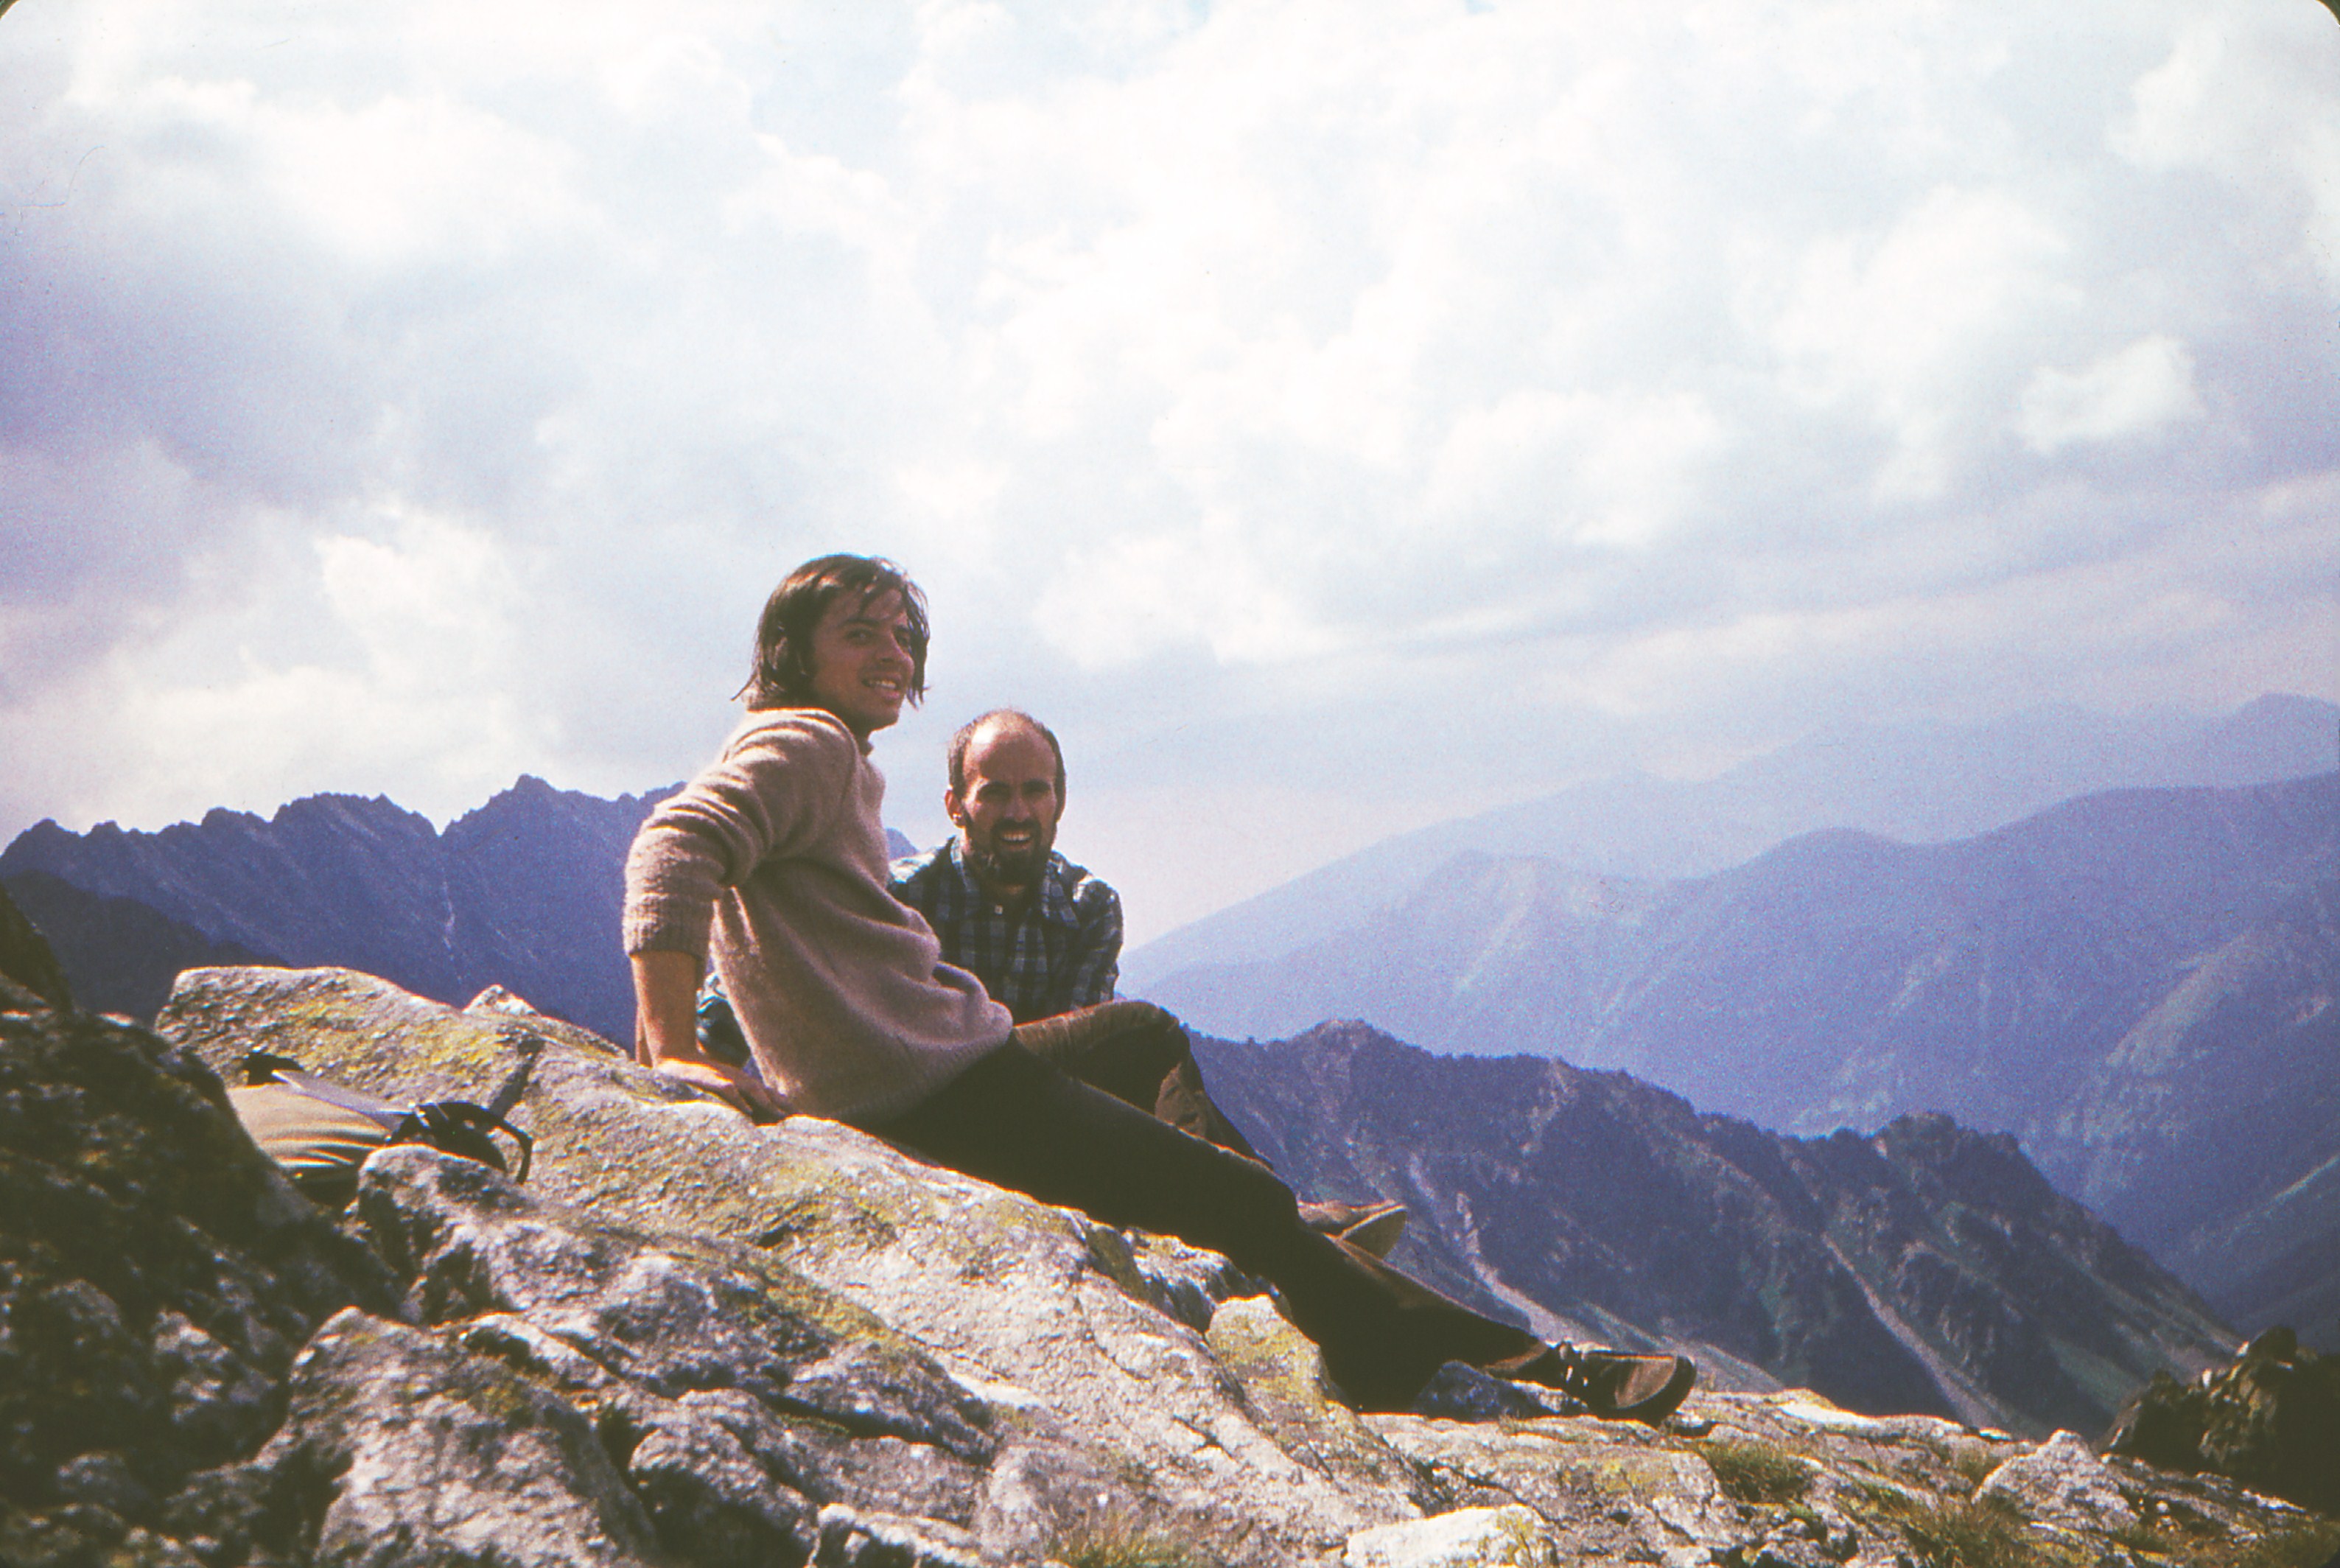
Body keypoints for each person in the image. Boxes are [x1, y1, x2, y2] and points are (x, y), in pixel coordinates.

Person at [623, 553, 1695, 1421]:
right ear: (793, 649)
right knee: (1243, 1206)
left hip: (943, 1065)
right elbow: (673, 846)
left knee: (1141, 1040)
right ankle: (1526, 1368)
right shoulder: (809, 742)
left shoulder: (820, 752)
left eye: (904, 636)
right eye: (862, 633)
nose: (893, 655)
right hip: (938, 1092)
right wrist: (669, 1044)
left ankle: (1300, 1243)